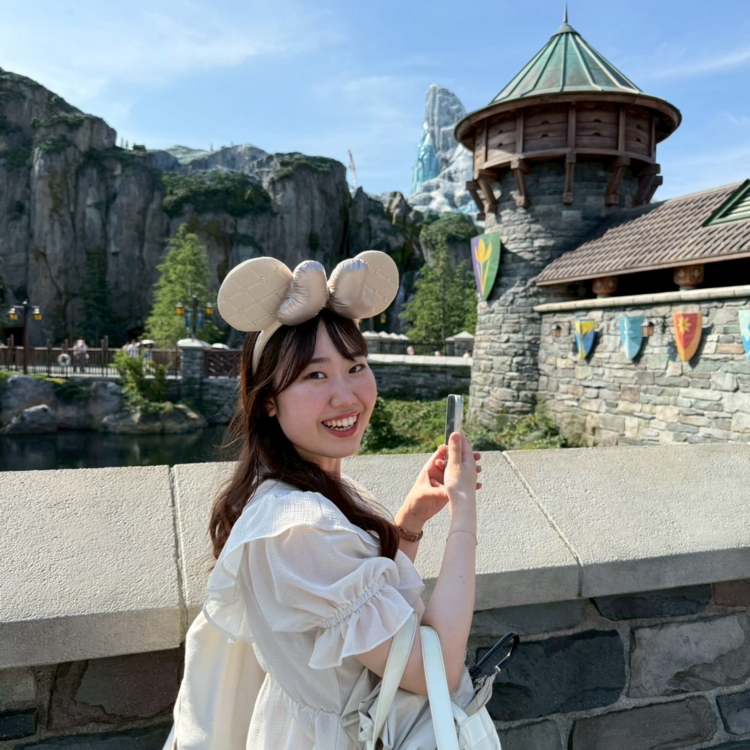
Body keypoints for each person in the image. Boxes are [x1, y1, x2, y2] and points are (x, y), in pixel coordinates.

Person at [165, 253, 483, 750]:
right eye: (315, 376)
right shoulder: (296, 527)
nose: (346, 396)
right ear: (269, 401)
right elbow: (435, 671)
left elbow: (367, 606)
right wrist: (465, 518)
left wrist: (412, 518)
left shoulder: (316, 493)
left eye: (355, 367)